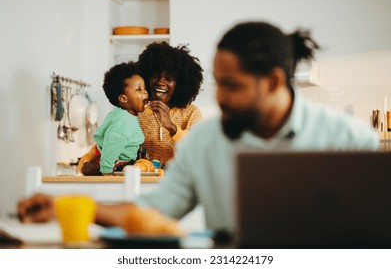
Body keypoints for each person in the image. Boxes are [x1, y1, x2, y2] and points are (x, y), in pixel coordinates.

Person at [18, 22, 378, 233]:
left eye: (232, 85)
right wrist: (70, 204)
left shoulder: (350, 140)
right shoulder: (207, 142)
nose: (220, 97)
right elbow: (152, 211)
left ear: (272, 81)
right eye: (218, 83)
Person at [136, 41, 204, 167]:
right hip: (142, 183)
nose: (160, 82)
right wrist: (86, 162)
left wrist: (171, 127)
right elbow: (107, 143)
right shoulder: (135, 111)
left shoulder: (191, 113)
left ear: (180, 84)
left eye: (169, 79)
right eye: (155, 76)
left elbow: (198, 153)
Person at [79, 62, 149, 176]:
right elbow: (112, 142)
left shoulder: (126, 115)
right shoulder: (122, 121)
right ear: (123, 98)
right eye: (139, 89)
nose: (145, 92)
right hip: (118, 165)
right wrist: (107, 171)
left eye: (144, 88)